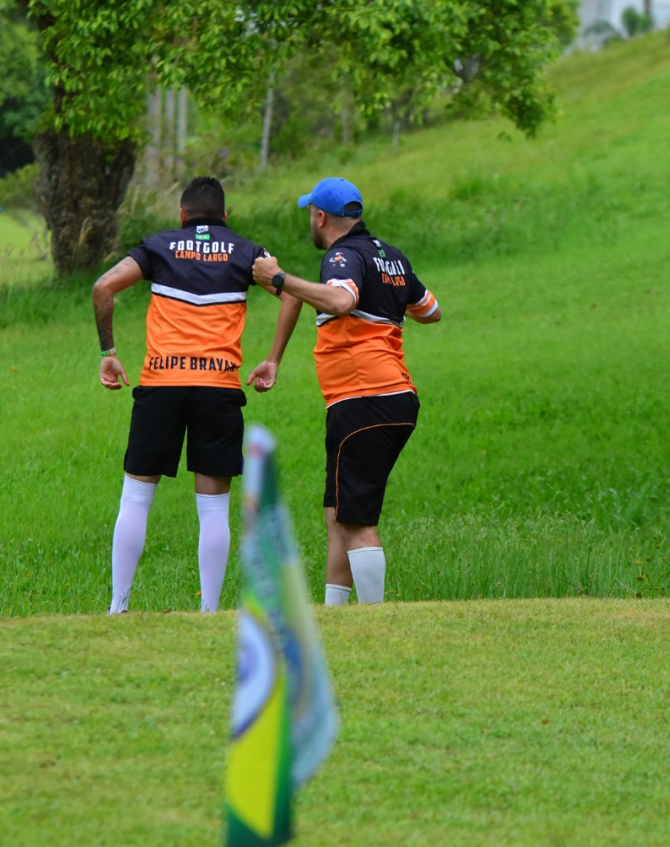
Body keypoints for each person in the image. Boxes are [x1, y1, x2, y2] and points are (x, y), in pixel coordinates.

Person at [93, 175, 301, 614]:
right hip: (218, 389)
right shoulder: (247, 251)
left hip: (160, 386)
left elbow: (102, 287)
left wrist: (109, 353)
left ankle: (118, 606)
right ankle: (208, 612)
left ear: (182, 215)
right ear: (225, 215)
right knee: (213, 509)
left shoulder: (157, 246)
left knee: (136, 498)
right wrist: (272, 360)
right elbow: (292, 296)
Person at [249, 176, 441, 606]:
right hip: (391, 396)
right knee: (338, 513)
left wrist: (279, 278)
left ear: (320, 217)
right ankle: (335, 614)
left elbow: (340, 302)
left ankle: (374, 618)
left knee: (357, 522)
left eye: (310, 215)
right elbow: (431, 310)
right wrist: (388, 299)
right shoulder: (391, 256)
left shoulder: (342, 256)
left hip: (363, 397)